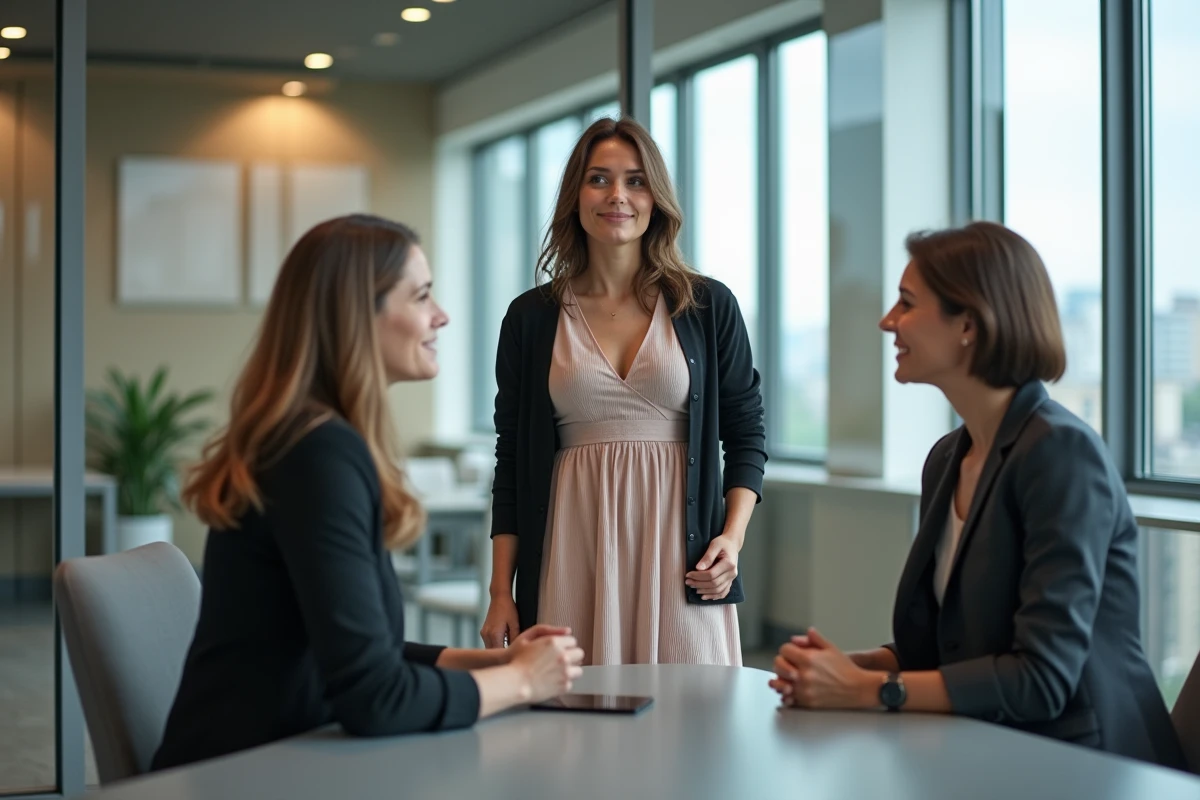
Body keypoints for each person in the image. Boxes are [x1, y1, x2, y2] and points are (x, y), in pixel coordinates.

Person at [153, 214, 584, 771]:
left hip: (271, 759)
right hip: (245, 775)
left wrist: (492, 664)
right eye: (422, 296)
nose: (442, 315)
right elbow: (375, 698)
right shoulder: (316, 457)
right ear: (357, 314)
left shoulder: (311, 439)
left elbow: (356, 650)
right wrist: (521, 681)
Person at [769, 221, 1187, 769]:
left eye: (907, 303)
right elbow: (953, 650)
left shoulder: (1061, 454)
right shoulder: (948, 458)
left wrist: (867, 690)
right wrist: (851, 668)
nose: (887, 320)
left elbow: (1042, 679)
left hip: (1092, 763)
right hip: (993, 747)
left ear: (968, 323)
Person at [479, 117, 767, 666]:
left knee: (693, 705)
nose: (618, 195)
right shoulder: (530, 317)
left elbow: (747, 433)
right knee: (577, 706)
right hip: (572, 550)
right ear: (575, 195)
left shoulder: (708, 306)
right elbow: (511, 460)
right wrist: (500, 593)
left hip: (681, 559)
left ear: (656, 198)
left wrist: (731, 540)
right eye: (599, 179)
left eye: (636, 181)